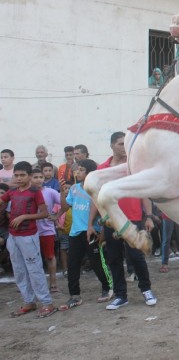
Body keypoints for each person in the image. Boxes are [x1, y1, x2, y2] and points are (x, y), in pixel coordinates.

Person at [94, 132, 157, 310]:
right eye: (121, 144)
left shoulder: (133, 165)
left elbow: (144, 191)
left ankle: (146, 290)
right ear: (112, 146)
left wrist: (149, 216)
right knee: (114, 259)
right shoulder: (102, 169)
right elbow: (96, 197)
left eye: (125, 143)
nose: (124, 147)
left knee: (136, 257)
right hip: (111, 221)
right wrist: (97, 221)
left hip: (133, 219)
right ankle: (121, 296)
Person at [52, 159, 113, 310]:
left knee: (96, 262)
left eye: (81, 170)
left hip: (92, 232)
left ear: (90, 173)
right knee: (73, 264)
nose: (77, 172)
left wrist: (102, 231)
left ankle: (107, 287)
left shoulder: (97, 190)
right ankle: (75, 295)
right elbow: (65, 206)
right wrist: (62, 192)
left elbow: (105, 212)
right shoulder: (74, 188)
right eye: (77, 169)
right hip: (75, 232)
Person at [0, 161, 56, 318]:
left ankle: (47, 303)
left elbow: (44, 213)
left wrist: (24, 216)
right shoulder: (12, 191)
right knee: (19, 270)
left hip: (28, 236)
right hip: (13, 236)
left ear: (29, 176)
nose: (19, 178)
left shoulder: (34, 192)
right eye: (16, 175)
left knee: (34, 269)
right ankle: (29, 301)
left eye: (22, 175)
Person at [31, 169, 61, 293]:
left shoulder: (50, 192)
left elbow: (66, 203)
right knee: (32, 259)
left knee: (49, 256)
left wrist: (56, 215)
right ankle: (35, 285)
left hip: (46, 230)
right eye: (35, 177)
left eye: (41, 177)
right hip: (30, 231)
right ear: (30, 178)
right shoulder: (26, 193)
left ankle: (53, 284)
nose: (38, 179)